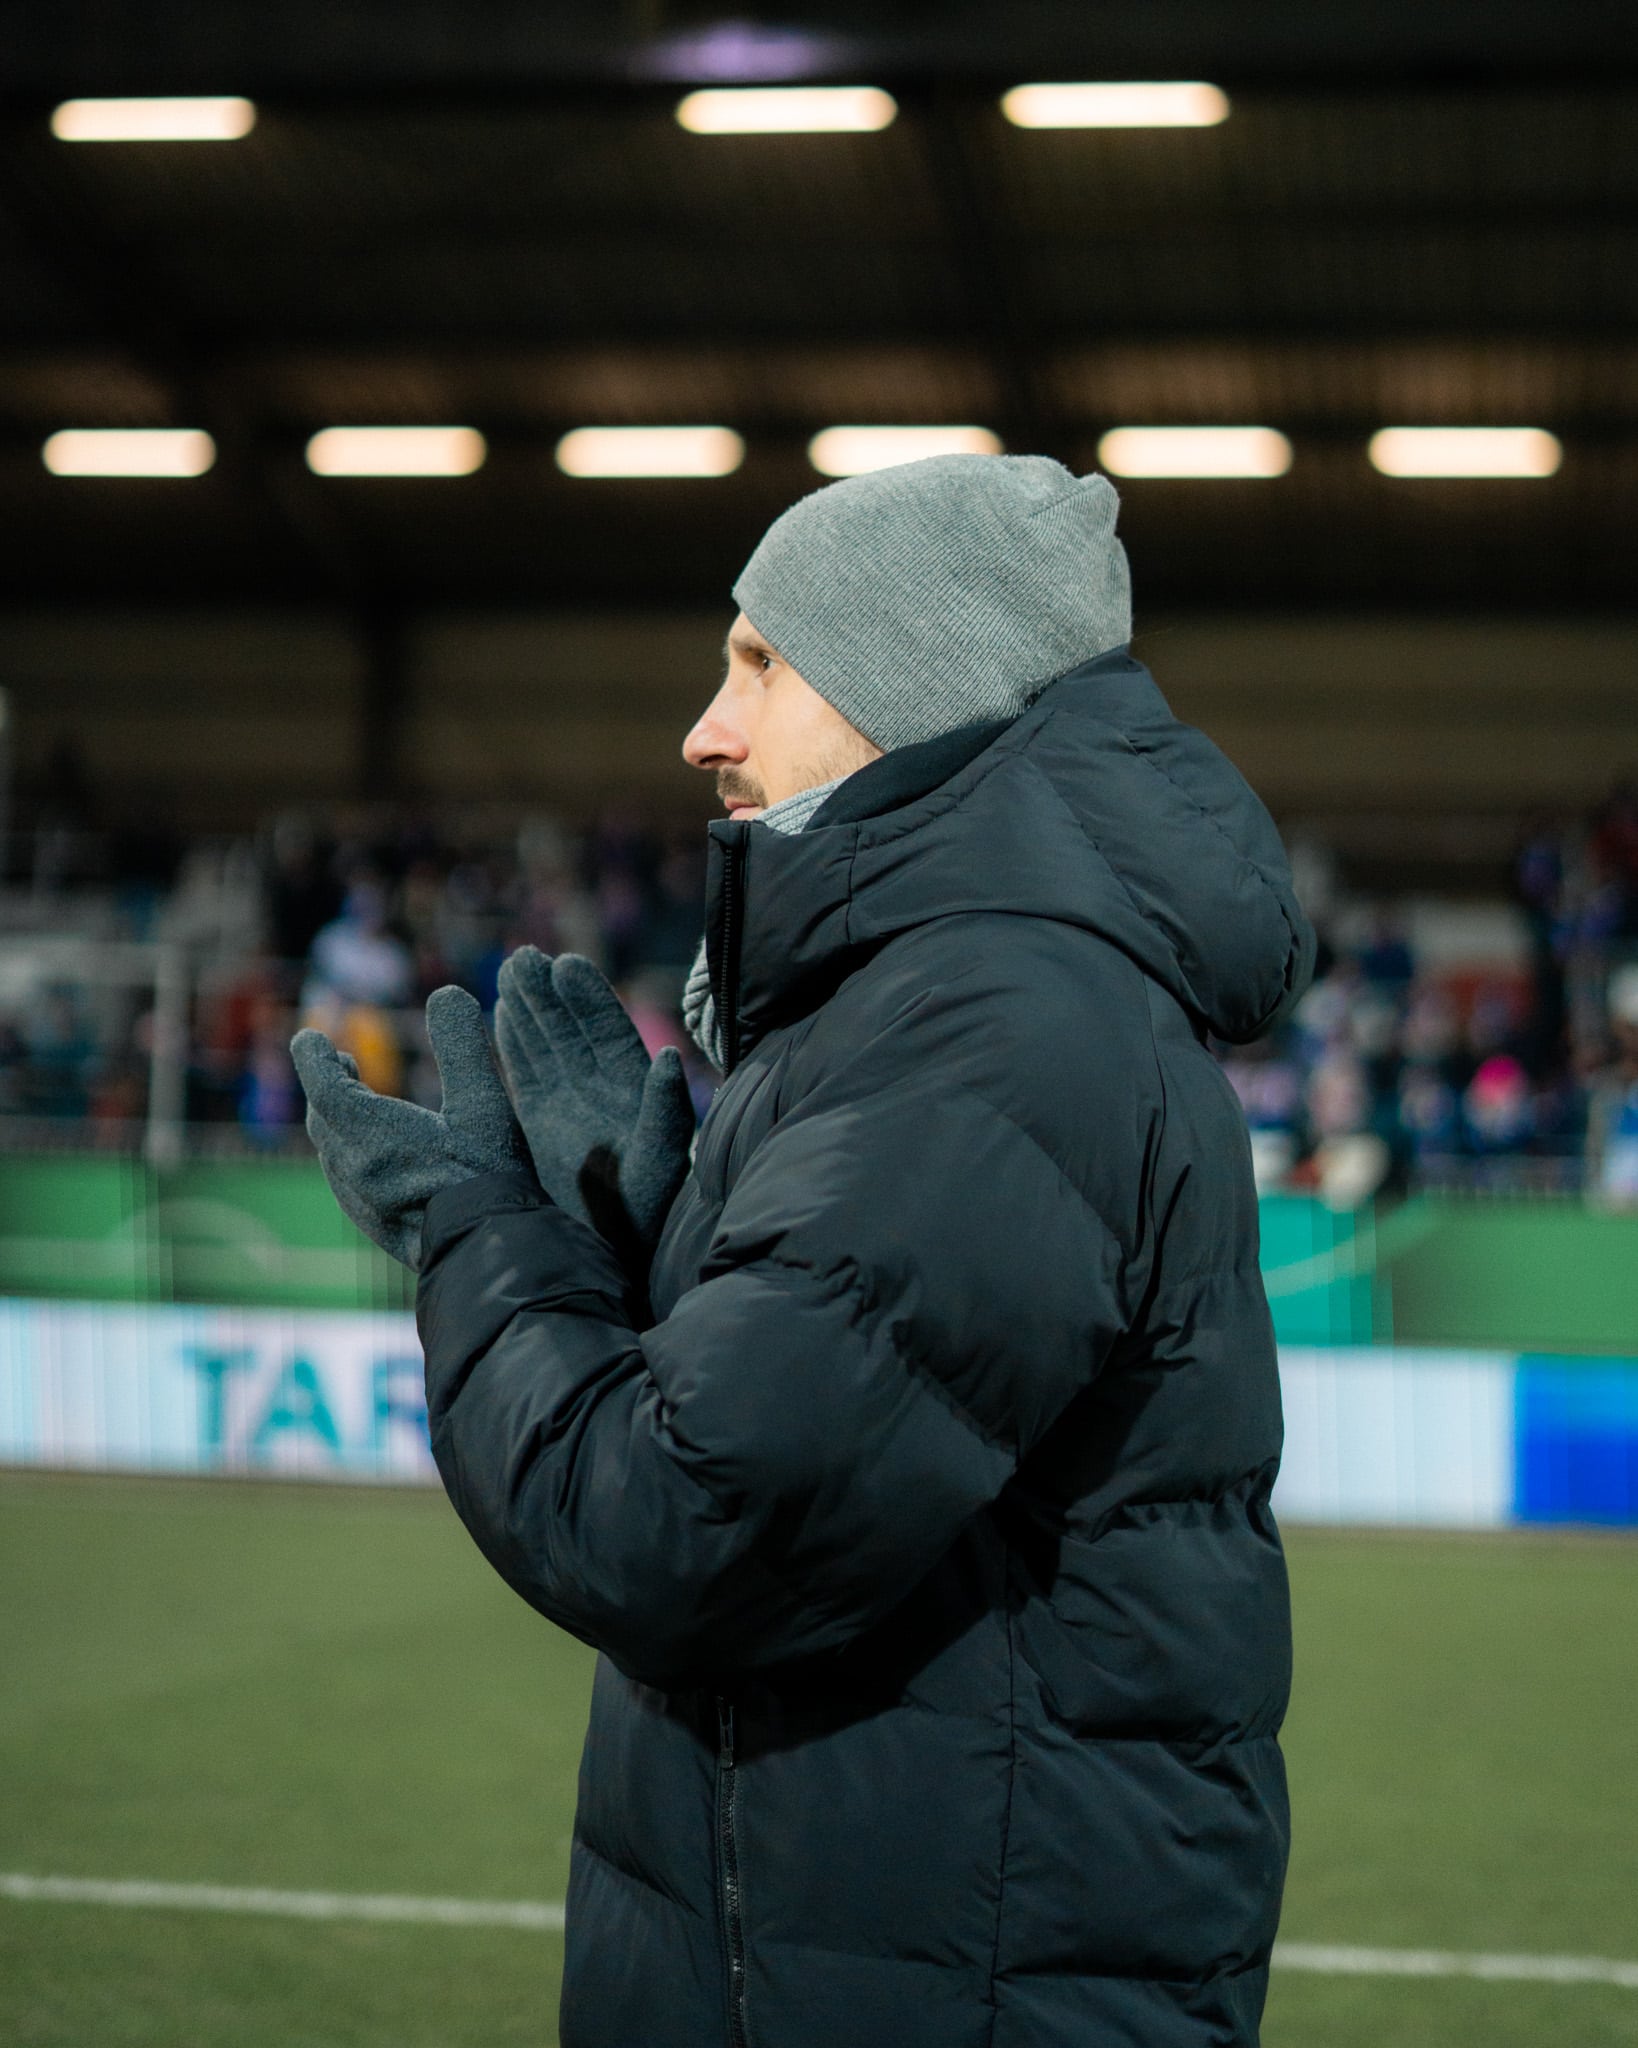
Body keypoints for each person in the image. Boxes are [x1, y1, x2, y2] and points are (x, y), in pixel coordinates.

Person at [293, 454, 1315, 2048]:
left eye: (761, 663)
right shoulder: (937, 1000)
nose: (705, 729)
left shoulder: (992, 1030)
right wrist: (643, 1250)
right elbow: (857, 1419)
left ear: (918, 679)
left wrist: (482, 1238)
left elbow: (674, 1527)